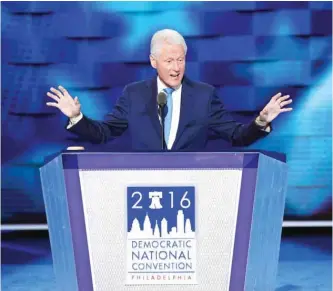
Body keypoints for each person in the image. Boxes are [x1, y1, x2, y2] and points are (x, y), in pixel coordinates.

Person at [46, 29, 292, 151]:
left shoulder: (204, 95)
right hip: (145, 190)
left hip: (193, 190)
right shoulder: (135, 94)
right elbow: (104, 133)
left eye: (181, 60)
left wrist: (260, 121)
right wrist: (76, 117)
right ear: (153, 61)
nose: (176, 68)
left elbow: (237, 136)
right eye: (168, 61)